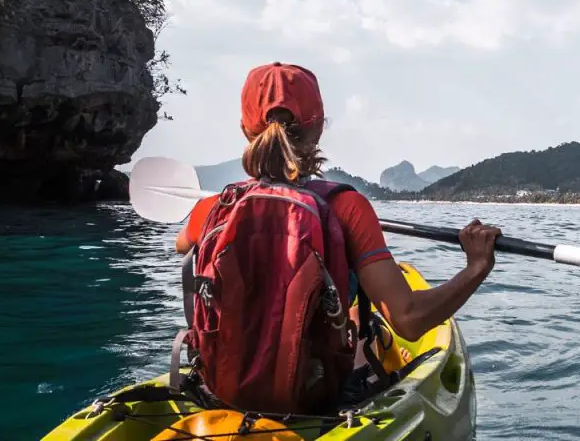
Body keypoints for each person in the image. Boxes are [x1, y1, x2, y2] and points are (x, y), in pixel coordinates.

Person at [172, 61, 499, 408]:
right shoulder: (347, 207)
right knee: (361, 320)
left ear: (244, 128)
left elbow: (183, 245)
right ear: (318, 129)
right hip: (313, 397)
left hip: (220, 389)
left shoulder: (212, 209)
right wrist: (476, 267)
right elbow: (409, 320)